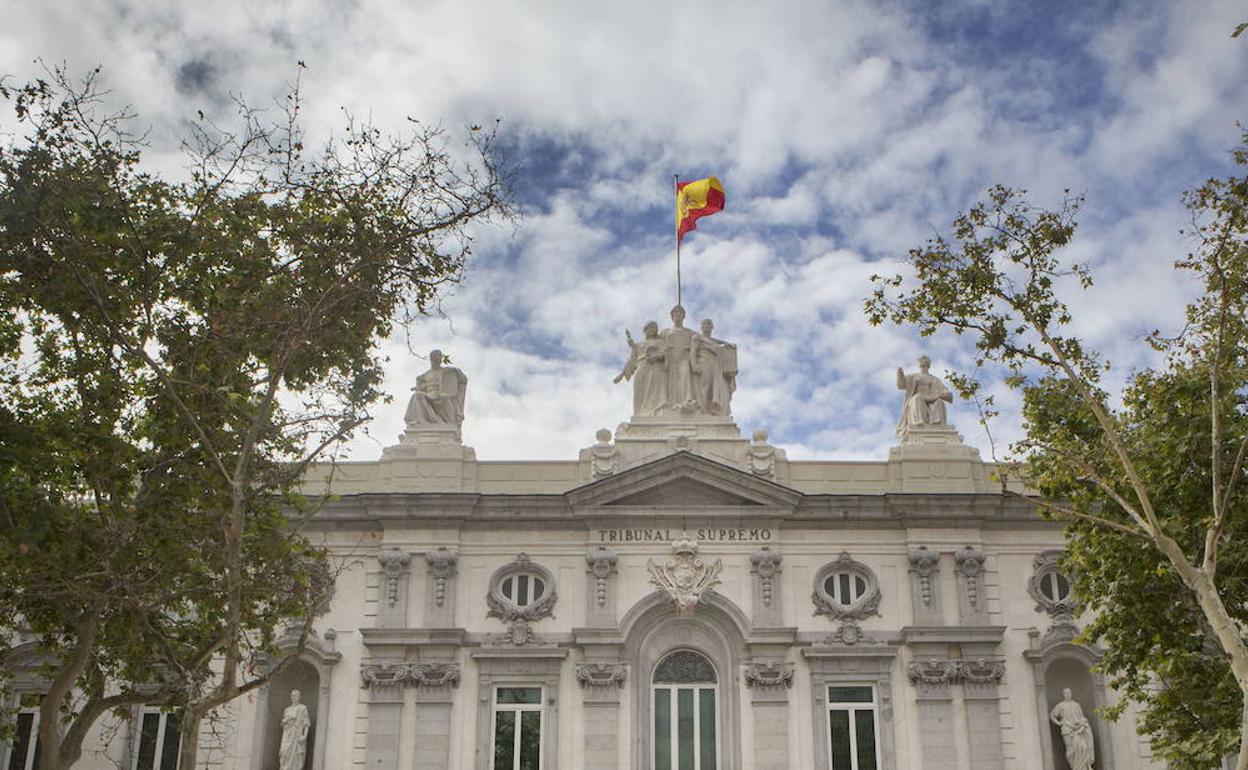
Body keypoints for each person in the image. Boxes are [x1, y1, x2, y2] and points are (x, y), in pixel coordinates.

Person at [614, 322, 667, 416]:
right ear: (645, 330)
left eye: (654, 328)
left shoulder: (660, 342)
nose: (652, 330)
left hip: (656, 368)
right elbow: (632, 360)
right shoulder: (639, 345)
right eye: (650, 327)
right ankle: (641, 413)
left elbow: (666, 354)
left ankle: (657, 412)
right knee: (640, 391)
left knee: (655, 390)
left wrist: (657, 356)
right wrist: (622, 374)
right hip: (642, 367)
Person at [404, 350, 468, 428]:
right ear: (431, 359)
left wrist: (457, 372)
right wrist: (419, 387)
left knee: (445, 397)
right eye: (434, 358)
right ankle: (421, 421)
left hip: (441, 396)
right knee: (417, 395)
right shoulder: (424, 375)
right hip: (428, 396)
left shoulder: (446, 372)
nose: (437, 360)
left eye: (438, 357)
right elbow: (420, 388)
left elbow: (463, 381)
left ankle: (446, 421)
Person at [690, 318, 736, 415]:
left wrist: (725, 343)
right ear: (701, 327)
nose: (706, 326)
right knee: (704, 386)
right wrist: (694, 365)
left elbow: (713, 340)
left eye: (708, 324)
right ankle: (701, 409)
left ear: (712, 327)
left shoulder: (711, 340)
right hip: (704, 362)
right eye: (704, 324)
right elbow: (693, 351)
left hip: (715, 365)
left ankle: (714, 409)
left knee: (716, 387)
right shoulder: (697, 337)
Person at [896, 355, 953, 432]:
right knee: (917, 397)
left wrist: (943, 394)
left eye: (924, 360)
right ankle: (919, 422)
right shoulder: (913, 377)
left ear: (928, 364)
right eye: (921, 360)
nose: (922, 361)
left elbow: (946, 392)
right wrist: (900, 375)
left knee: (939, 402)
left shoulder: (934, 379)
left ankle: (937, 423)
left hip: (931, 399)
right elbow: (901, 385)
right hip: (918, 400)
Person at [660, 305, 697, 412]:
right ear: (672, 316)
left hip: (684, 358)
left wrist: (722, 343)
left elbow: (703, 339)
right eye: (676, 312)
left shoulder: (689, 332)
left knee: (685, 377)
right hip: (670, 359)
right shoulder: (665, 332)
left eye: (680, 312)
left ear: (683, 316)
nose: (678, 314)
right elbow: (655, 344)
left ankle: (687, 402)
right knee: (672, 381)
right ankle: (672, 405)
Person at [1049, 687, 1095, 770]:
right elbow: (1052, 715)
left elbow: (1081, 716)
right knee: (1071, 750)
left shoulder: (1076, 705)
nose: (1068, 695)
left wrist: (1083, 723)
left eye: (1069, 693)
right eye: (1066, 693)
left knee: (1084, 747)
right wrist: (1059, 723)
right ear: (1063, 695)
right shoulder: (1060, 705)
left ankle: (1084, 767)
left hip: (1078, 728)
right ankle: (1075, 768)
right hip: (1067, 729)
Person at [278, 689, 311, 770]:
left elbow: (306, 723)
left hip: (296, 734)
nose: (294, 697)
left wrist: (304, 736)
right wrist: (286, 721)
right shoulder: (287, 710)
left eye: (296, 695)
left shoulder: (302, 708)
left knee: (295, 755)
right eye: (293, 695)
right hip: (286, 735)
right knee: (284, 752)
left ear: (299, 697)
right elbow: (282, 724)